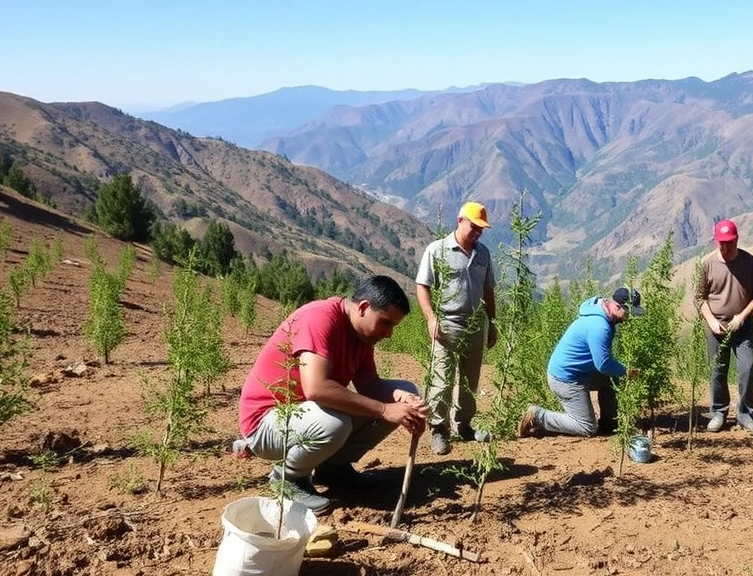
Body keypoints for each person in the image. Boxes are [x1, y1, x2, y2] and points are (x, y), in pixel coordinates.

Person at [236, 276, 428, 514]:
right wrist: (385, 409)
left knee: (402, 393)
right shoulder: (319, 318)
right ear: (364, 308)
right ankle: (287, 478)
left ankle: (332, 468)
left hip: (305, 416)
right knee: (334, 423)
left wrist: (401, 397)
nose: (388, 333)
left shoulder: (361, 335)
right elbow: (317, 388)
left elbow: (368, 384)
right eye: (386, 323)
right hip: (265, 423)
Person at [415, 201, 498, 455]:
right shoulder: (437, 250)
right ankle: (439, 430)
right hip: (446, 324)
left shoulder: (483, 253)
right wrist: (431, 317)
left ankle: (464, 426)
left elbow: (488, 290)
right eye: (474, 227)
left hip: (475, 324)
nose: (478, 233)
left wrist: (492, 323)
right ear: (460, 220)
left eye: (481, 229)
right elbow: (422, 286)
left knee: (470, 380)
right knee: (442, 379)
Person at [518, 287, 643, 438]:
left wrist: (620, 371)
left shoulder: (600, 312)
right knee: (587, 427)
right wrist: (627, 371)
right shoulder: (600, 326)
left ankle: (609, 424)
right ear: (617, 306)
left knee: (612, 378)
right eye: (628, 313)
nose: (628, 318)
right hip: (565, 379)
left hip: (579, 372)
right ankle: (538, 416)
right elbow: (603, 364)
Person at [695, 219, 753, 436]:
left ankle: (745, 414)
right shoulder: (707, 264)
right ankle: (719, 412)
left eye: (729, 242)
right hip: (716, 325)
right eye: (720, 243)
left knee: (747, 368)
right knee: (717, 371)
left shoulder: (750, 262)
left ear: (736, 239)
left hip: (742, 326)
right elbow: (699, 298)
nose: (724, 247)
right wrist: (711, 321)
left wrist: (743, 316)